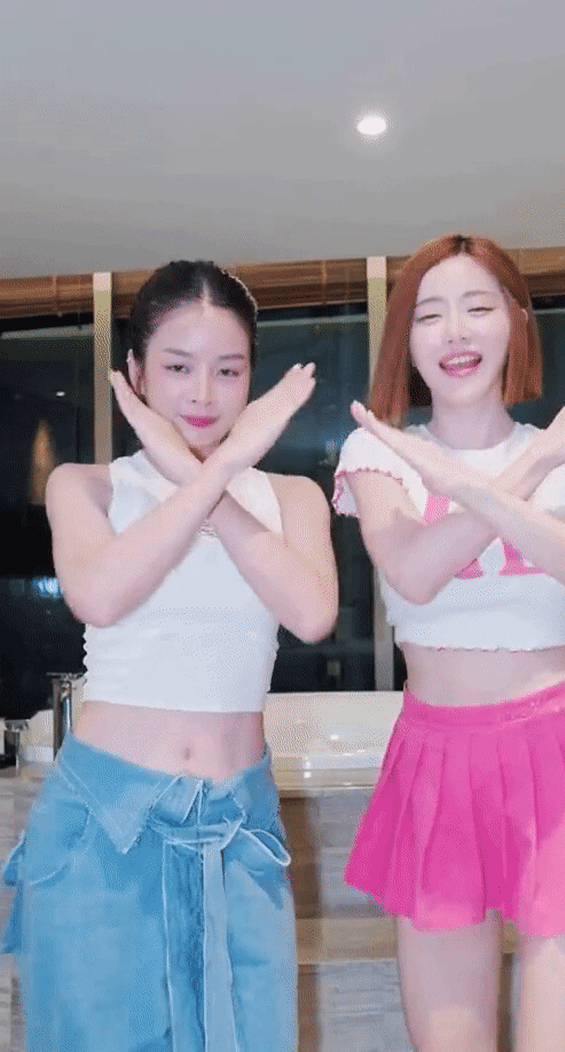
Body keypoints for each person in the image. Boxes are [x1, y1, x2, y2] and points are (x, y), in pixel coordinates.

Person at [332, 234, 565, 1052]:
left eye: (478, 307)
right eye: (430, 315)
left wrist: (526, 464)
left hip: (563, 753)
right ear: (406, 340)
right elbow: (414, 571)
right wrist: (523, 470)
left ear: (515, 323)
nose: (456, 332)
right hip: (436, 762)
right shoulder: (382, 451)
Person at [1, 260, 338, 1052]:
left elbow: (312, 612)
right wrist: (217, 469)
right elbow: (100, 595)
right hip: (102, 827)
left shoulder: (291, 498)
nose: (203, 394)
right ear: (136, 371)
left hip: (239, 828)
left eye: (229, 371)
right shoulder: (87, 487)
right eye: (179, 368)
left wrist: (207, 475)